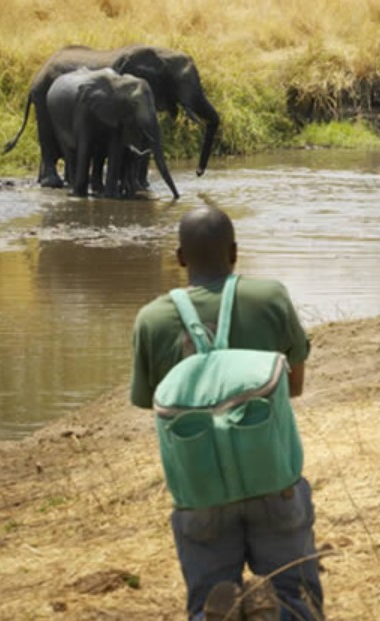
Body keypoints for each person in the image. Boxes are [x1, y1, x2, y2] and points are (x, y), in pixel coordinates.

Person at [131, 206, 322, 621]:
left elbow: (152, 401)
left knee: (204, 600)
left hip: (199, 488)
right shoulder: (269, 297)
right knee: (297, 596)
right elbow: (295, 386)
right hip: (273, 474)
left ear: (180, 258)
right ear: (235, 252)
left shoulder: (151, 320)